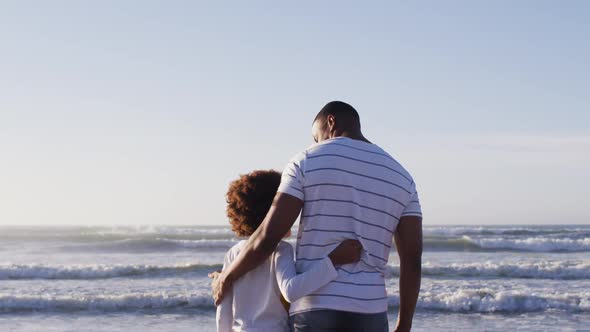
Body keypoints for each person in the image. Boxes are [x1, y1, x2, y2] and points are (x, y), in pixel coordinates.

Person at [213, 101, 423, 332]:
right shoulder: (403, 177)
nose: (317, 143)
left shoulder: (305, 161)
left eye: (316, 137)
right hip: (371, 309)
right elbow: (412, 260)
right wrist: (404, 325)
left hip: (316, 307)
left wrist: (226, 277)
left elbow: (266, 238)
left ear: (330, 122)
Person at [215, 169, 362, 332]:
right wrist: (334, 260)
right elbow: (291, 290)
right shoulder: (280, 249)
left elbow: (223, 309)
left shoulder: (234, 253)